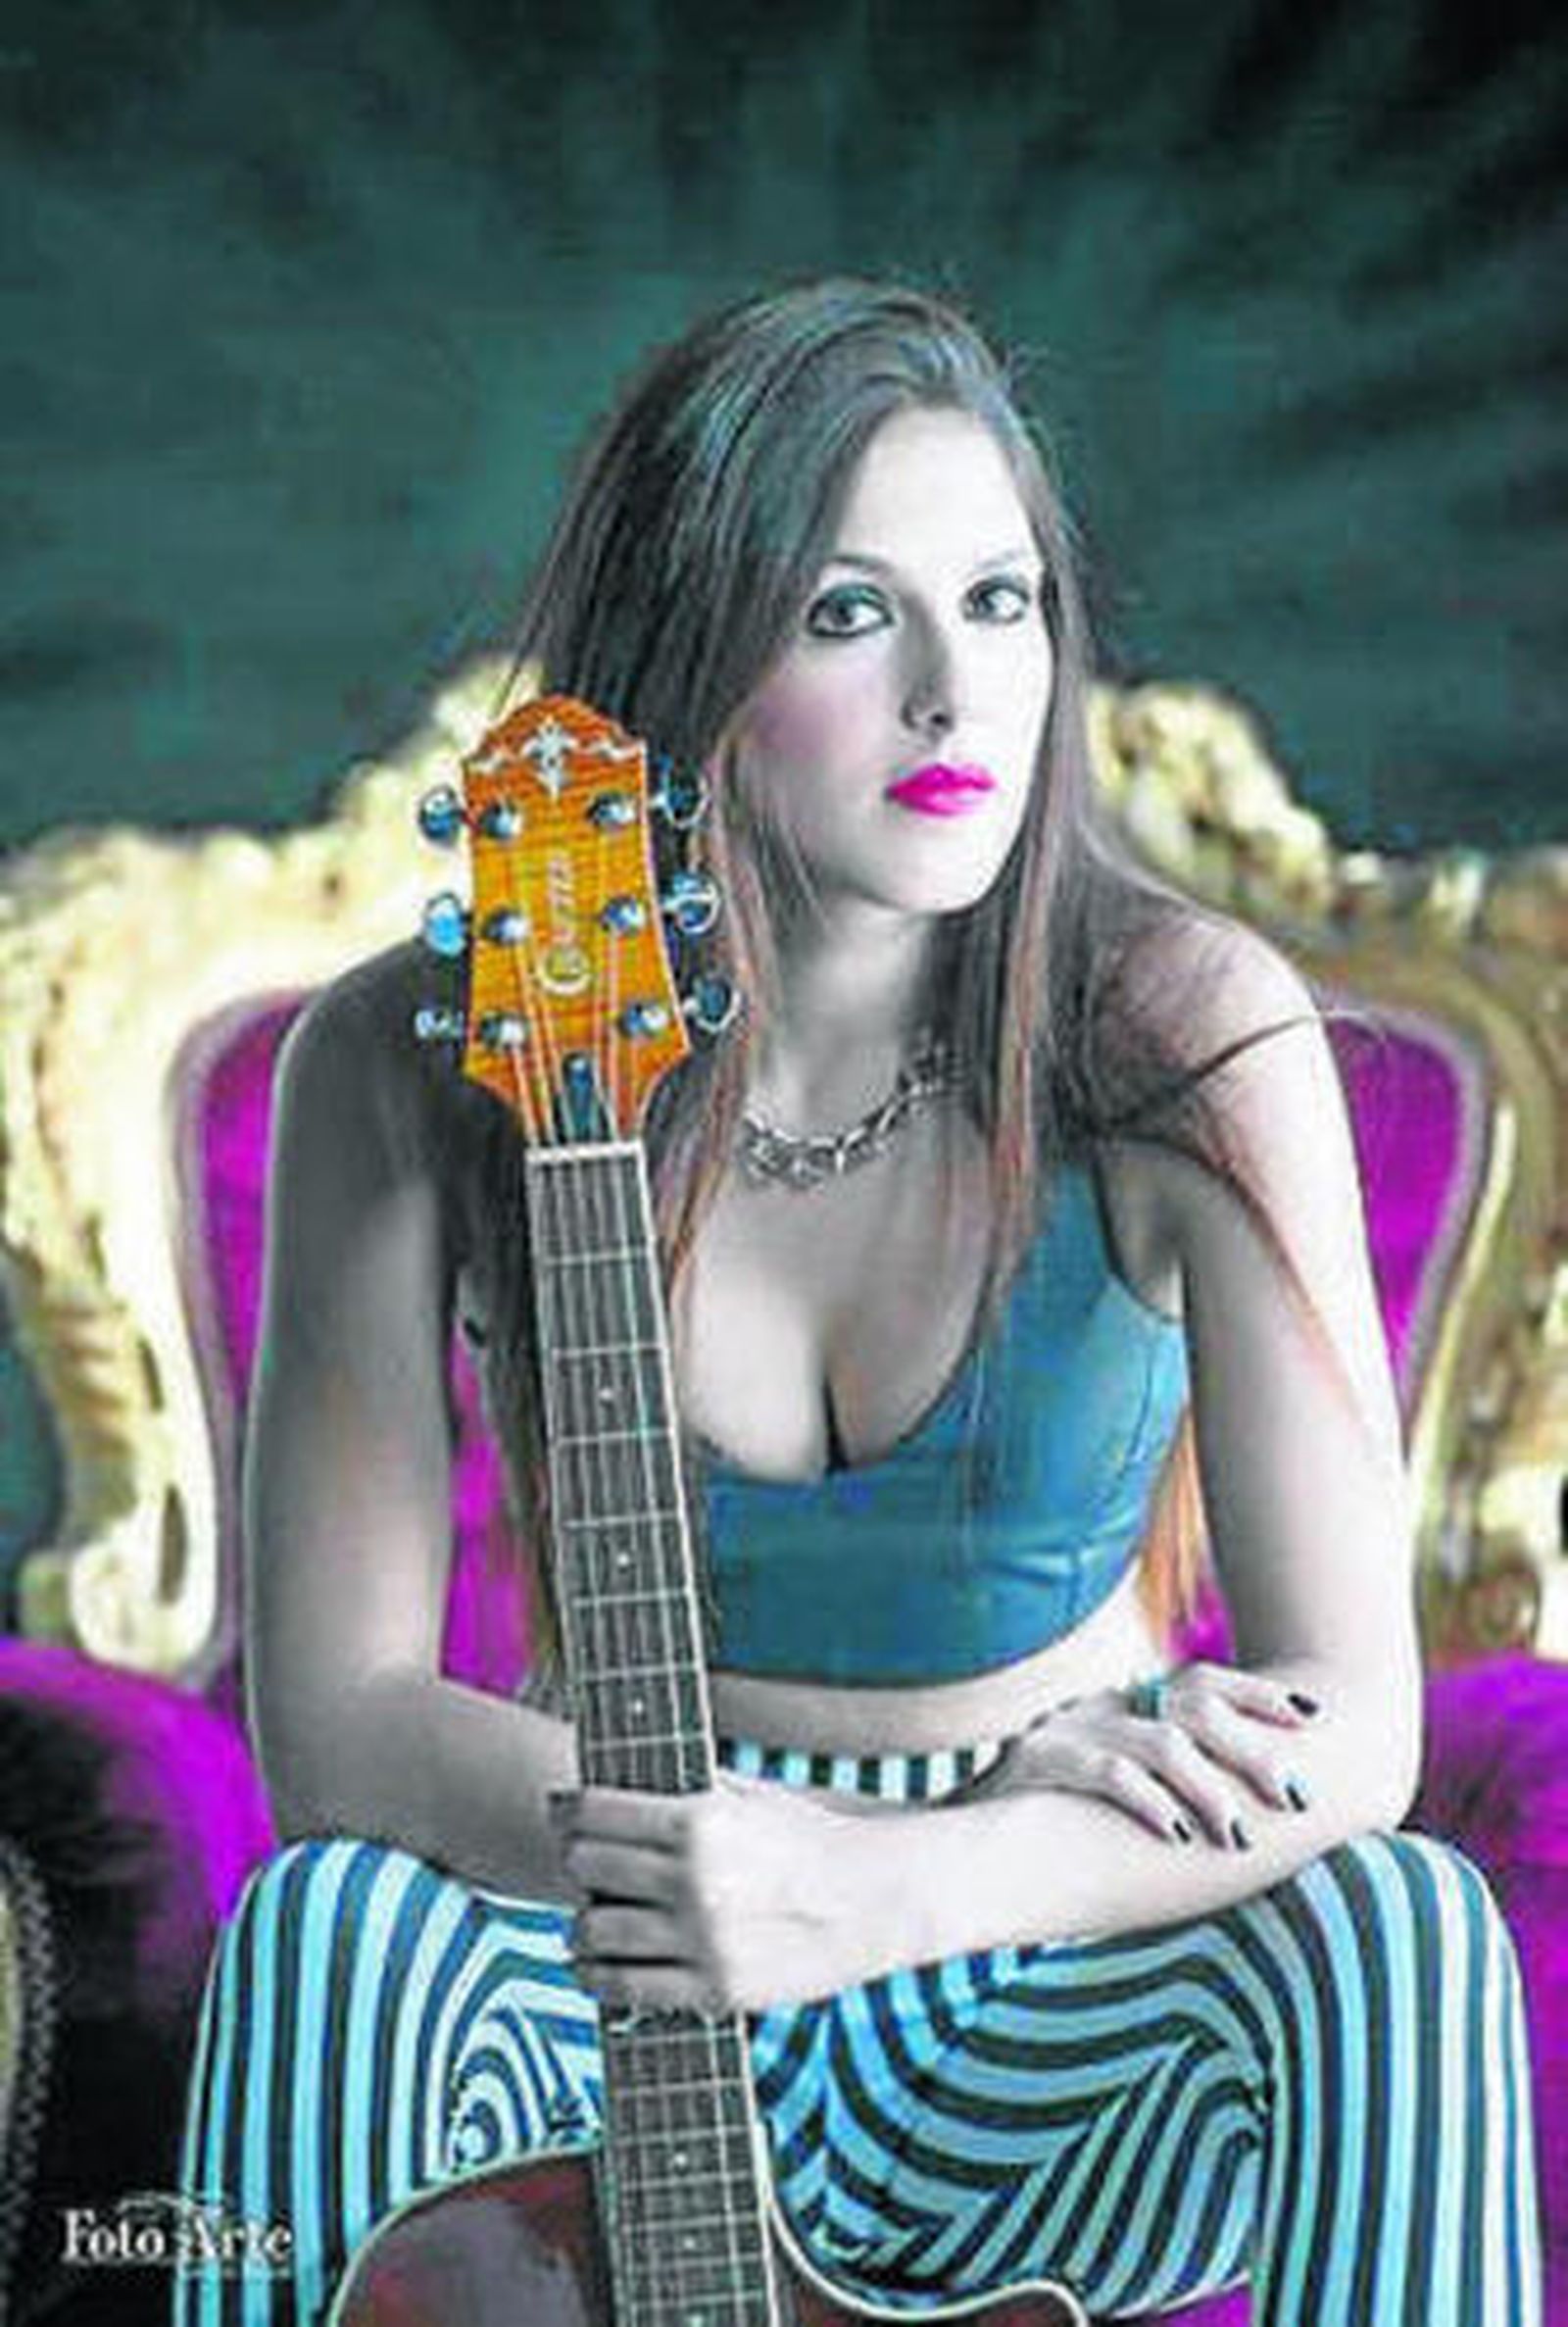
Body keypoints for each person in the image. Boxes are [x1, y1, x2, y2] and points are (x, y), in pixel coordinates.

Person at [175, 279, 1541, 2325]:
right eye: (844, 614)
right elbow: (340, 1721)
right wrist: (713, 1859)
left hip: (1042, 1945)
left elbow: (1357, 1721)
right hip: (614, 1908)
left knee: (1399, 1927)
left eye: (999, 603)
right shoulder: (408, 1054)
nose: (952, 693)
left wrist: (901, 1876)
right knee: (324, 1937)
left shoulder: (1186, 1028)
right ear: (687, 654)